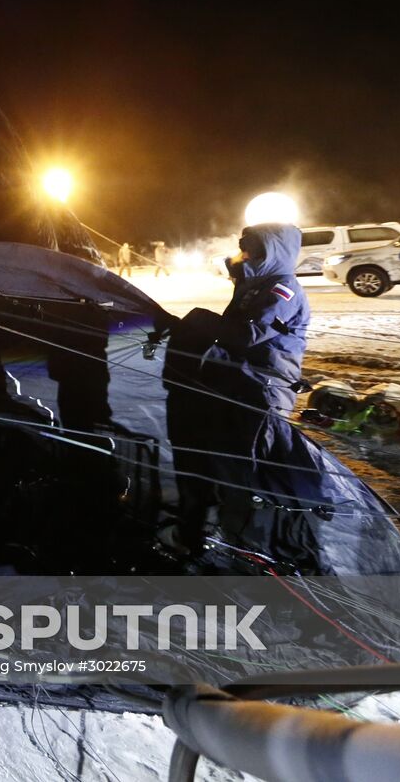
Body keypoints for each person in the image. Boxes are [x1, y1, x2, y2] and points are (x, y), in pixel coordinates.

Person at [162, 224, 317, 563]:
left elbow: (247, 335)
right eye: (244, 248)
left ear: (273, 253)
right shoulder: (253, 285)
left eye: (253, 250)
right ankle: (209, 536)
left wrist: (198, 320)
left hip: (264, 394)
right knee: (216, 466)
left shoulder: (283, 288)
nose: (244, 255)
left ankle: (252, 552)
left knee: (245, 479)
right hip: (236, 389)